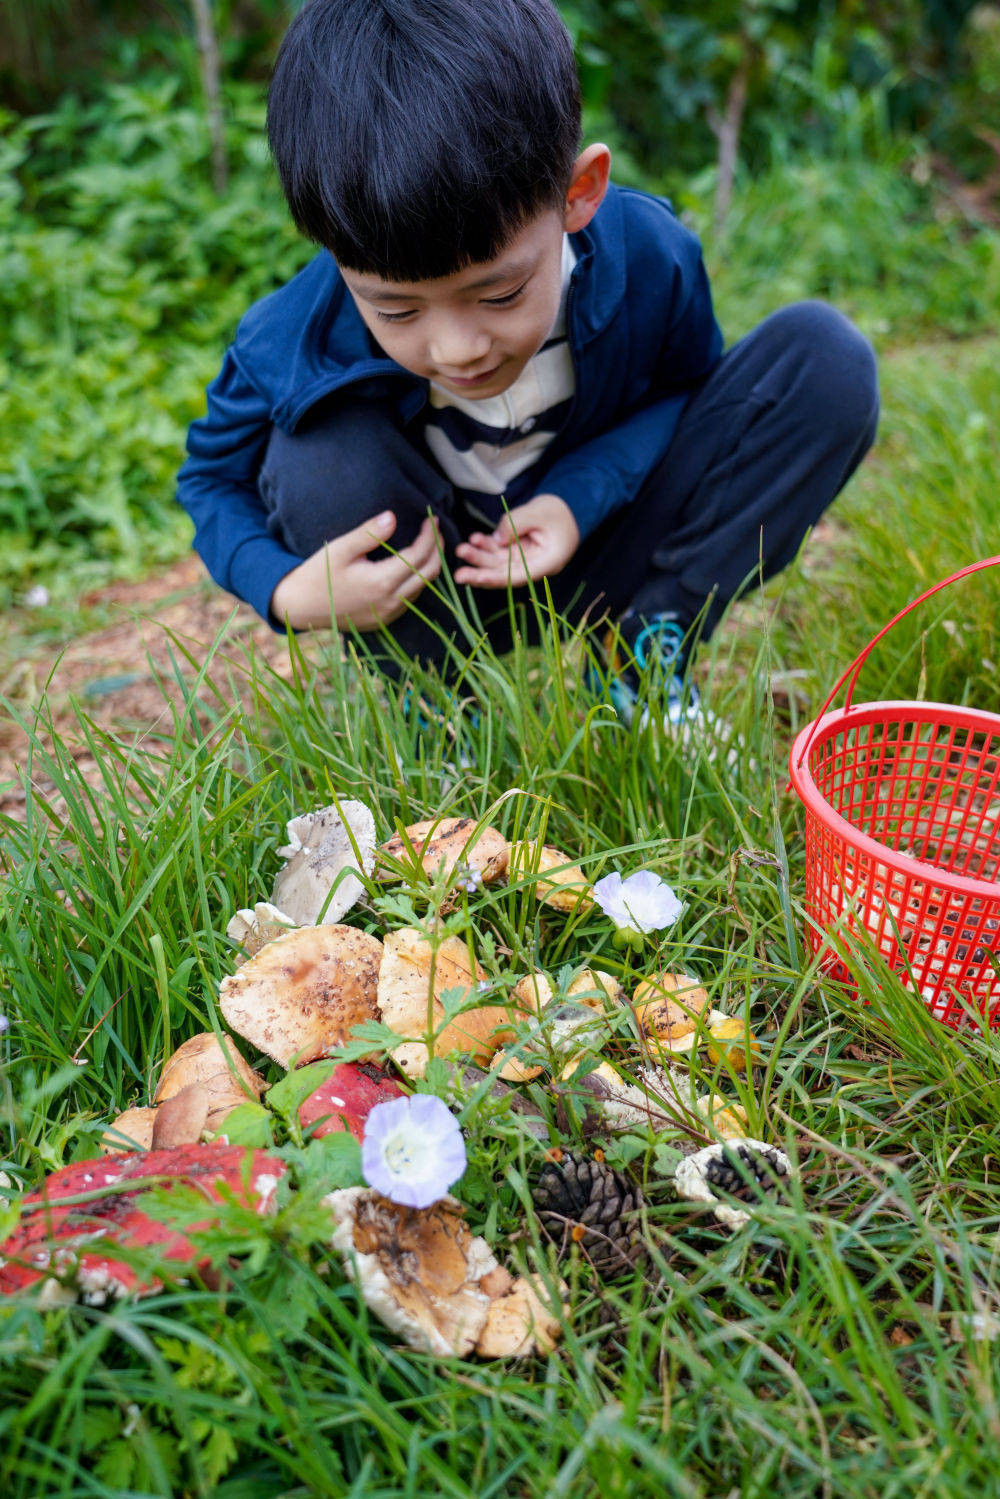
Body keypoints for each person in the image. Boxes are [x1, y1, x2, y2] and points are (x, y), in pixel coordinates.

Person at [177, 0, 879, 724]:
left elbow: (688, 395)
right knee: (315, 454)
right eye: (396, 311)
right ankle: (442, 706)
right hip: (429, 585)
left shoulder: (649, 256)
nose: (457, 349)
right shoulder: (290, 334)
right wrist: (286, 592)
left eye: (500, 291)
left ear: (578, 193)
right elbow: (210, 478)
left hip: (603, 547)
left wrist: (580, 496)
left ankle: (640, 655)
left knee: (824, 361)